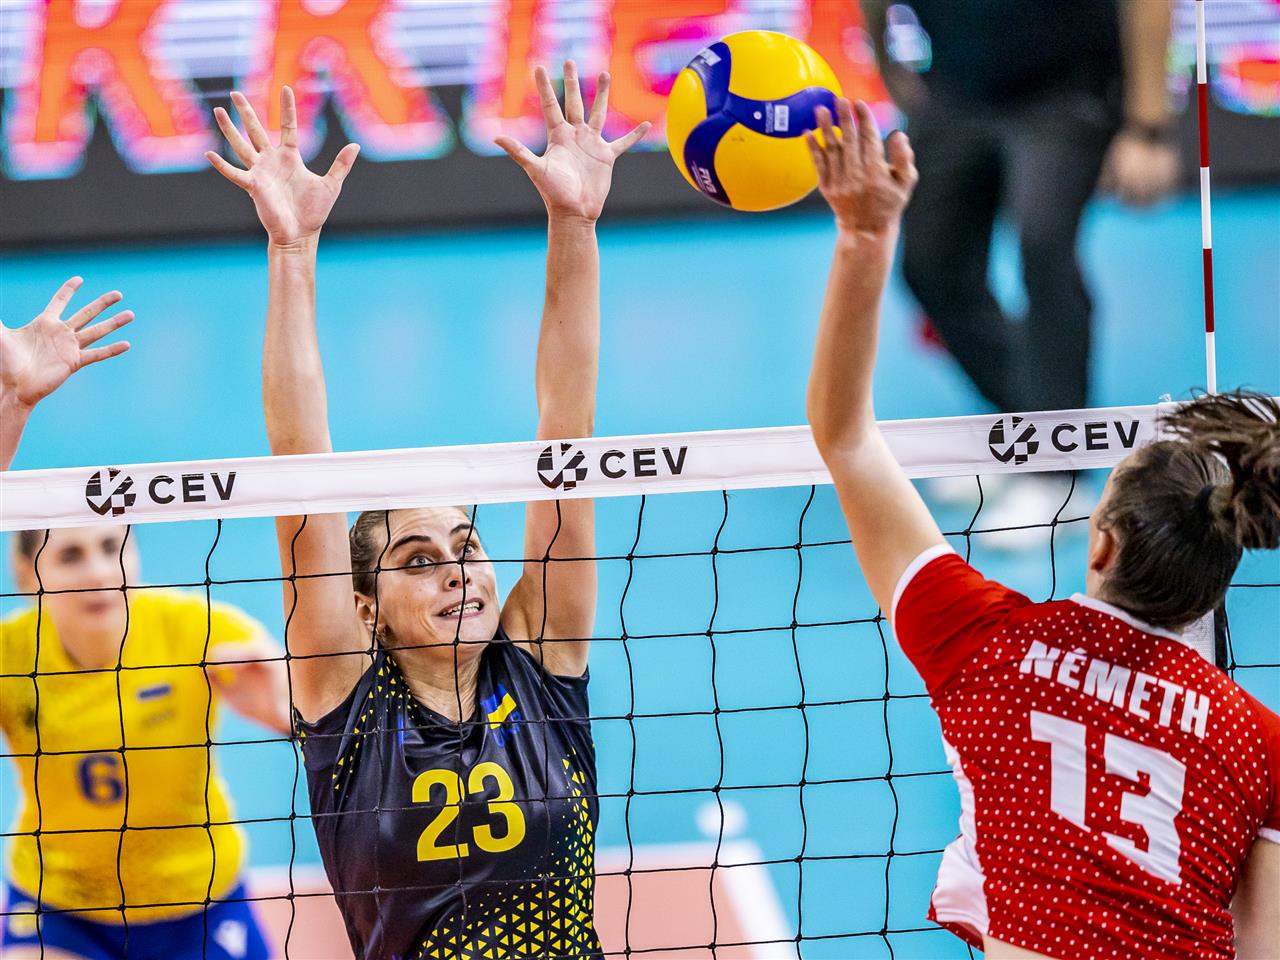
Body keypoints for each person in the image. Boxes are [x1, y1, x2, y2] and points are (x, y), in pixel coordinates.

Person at [802, 98, 1279, 959]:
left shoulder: (981, 642)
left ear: (1100, 543)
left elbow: (845, 438)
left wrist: (864, 238)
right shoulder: (1261, 745)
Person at [205, 64, 648, 960]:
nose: (458, 572)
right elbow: (300, 465)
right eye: (416, 559)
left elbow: (567, 431)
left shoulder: (540, 663)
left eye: (467, 546)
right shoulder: (345, 704)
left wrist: (574, 226)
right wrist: (291, 252)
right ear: (363, 607)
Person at [0, 281, 290, 960]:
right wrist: (13, 404)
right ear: (27, 575)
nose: (99, 571)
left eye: (112, 547)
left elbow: (308, 715)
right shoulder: (11, 654)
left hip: (198, 900)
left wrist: (281, 706)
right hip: (60, 906)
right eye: (71, 555)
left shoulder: (198, 629)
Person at [860, 0, 1181, 529]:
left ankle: (1058, 471)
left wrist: (1149, 127)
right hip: (958, 86)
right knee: (929, 264)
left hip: (1069, 89)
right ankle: (1025, 431)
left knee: (1043, 246)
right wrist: (886, 63)